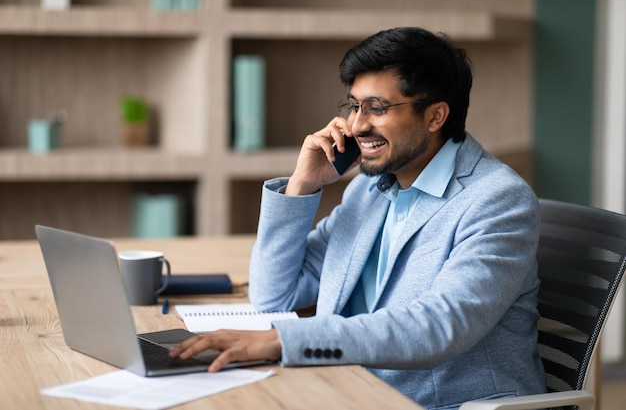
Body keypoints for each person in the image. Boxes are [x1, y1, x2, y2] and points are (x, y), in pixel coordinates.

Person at [170, 26, 546, 409]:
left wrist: (284, 340)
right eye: (354, 106)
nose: (356, 126)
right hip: (348, 391)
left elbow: (438, 327)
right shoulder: (371, 189)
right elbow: (274, 298)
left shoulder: (498, 201)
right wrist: (302, 185)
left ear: (435, 116)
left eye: (377, 109)